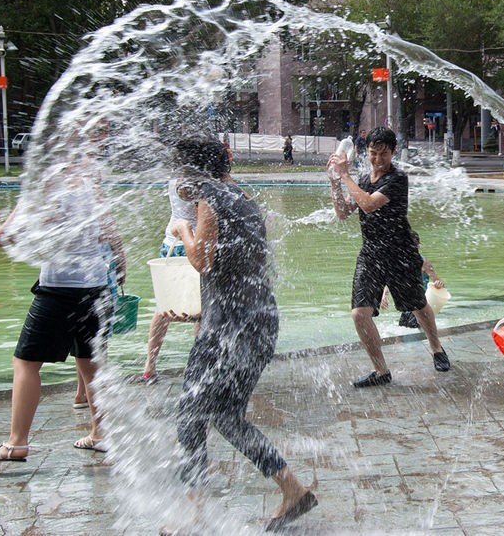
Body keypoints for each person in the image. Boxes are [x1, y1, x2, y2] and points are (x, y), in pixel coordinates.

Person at [166, 140, 315, 533]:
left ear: (193, 172)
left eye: (180, 170)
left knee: (189, 416)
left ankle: (193, 517)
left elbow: (202, 260)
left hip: (228, 330)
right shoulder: (245, 198)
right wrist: (201, 310)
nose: (177, 179)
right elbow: (241, 266)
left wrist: (183, 228)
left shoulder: (209, 197)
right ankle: (293, 490)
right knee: (227, 417)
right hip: (258, 320)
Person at [0, 172, 124, 462]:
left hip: (59, 287)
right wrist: (120, 268)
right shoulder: (88, 179)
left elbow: (4, 237)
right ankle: (101, 435)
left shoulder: (42, 180)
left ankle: (16, 443)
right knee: (90, 360)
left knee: (26, 362)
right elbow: (109, 231)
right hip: (94, 285)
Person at [328, 127, 450, 387]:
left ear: (393, 152)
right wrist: (335, 182)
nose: (378, 159)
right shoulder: (361, 179)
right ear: (366, 152)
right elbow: (342, 213)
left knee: (416, 304)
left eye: (383, 154)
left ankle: (436, 347)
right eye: (373, 153)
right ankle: (380, 371)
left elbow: (369, 204)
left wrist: (345, 175)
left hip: (400, 251)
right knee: (359, 314)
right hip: (371, 252)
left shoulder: (397, 179)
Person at [139, 171, 200, 384]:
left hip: (169, 245)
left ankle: (150, 366)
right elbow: (201, 214)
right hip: (192, 245)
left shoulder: (175, 175)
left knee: (162, 307)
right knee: (202, 309)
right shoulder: (195, 178)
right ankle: (200, 367)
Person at [381, 231, 445, 329]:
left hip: (420, 308)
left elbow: (439, 283)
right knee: (401, 338)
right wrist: (384, 295)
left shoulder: (423, 262)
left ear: (418, 246)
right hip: (406, 310)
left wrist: (438, 284)